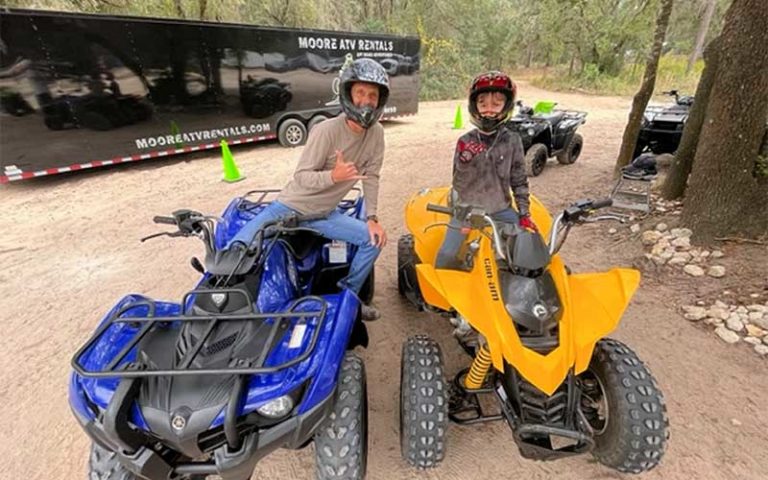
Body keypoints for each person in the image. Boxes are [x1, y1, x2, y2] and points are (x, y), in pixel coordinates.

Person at [228, 58, 389, 316]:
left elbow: (372, 177)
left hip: (323, 214)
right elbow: (301, 176)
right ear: (348, 93)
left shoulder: (377, 134)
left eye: (373, 94)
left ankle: (349, 295)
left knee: (374, 240)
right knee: (235, 251)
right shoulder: (326, 131)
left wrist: (372, 218)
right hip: (288, 208)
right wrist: (332, 177)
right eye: (360, 92)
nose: (366, 100)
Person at [436, 71, 535, 269]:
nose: (489, 110)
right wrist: (459, 211)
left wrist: (524, 214)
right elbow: (458, 181)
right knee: (446, 256)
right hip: (467, 210)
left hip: (501, 210)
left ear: (506, 106)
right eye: (483, 104)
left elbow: (519, 180)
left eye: (496, 104)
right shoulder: (464, 142)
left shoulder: (513, 141)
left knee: (526, 253)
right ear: (475, 107)